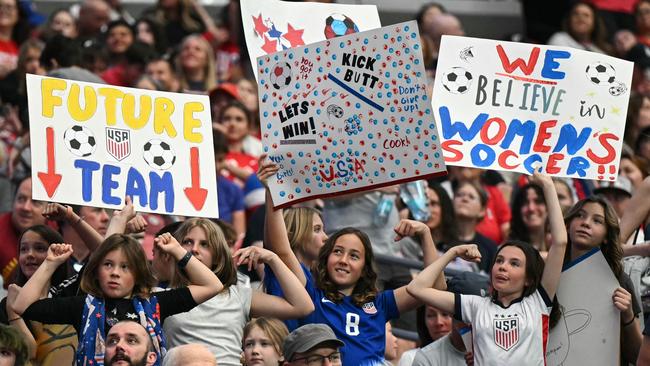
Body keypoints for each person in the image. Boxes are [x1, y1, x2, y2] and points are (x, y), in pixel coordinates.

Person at [259, 157, 443, 365]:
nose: (344, 260)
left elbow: (435, 288)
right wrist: (273, 192)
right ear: (326, 258)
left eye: (354, 256)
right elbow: (282, 251)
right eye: (337, 252)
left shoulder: (380, 303)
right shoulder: (311, 293)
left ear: (364, 268)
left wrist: (426, 234)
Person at [11, 198, 222, 365]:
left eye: (125, 267)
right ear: (97, 270)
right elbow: (22, 306)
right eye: (108, 265)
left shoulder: (155, 303)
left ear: (138, 273)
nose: (115, 273)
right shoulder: (83, 306)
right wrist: (49, 263)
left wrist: (177, 250)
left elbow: (212, 285)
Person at [407, 172, 567, 365]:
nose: (502, 267)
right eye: (499, 261)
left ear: (529, 279)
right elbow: (416, 289)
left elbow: (560, 242)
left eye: (514, 263)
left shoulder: (537, 303)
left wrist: (548, 186)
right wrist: (453, 253)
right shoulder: (475, 306)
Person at [162, 217, 313, 365]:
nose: (194, 249)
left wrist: (272, 259)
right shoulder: (161, 297)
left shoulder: (238, 295)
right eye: (187, 242)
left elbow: (303, 306)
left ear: (217, 255)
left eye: (204, 244)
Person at [563, 195, 643, 364]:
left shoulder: (619, 280)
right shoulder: (550, 275)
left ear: (607, 235)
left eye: (597, 221)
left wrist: (627, 315)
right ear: (568, 224)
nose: (586, 223)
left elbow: (637, 355)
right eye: (580, 215)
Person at [2, 225, 78, 366]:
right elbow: (27, 354)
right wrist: (13, 314)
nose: (29, 254)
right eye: (23, 249)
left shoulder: (71, 299)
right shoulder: (6, 305)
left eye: (39, 248)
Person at [0, 177, 48, 286]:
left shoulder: (60, 231)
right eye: (21, 199)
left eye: (35, 202)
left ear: (48, 207)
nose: (26, 207)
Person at [509, 183, 549, 254]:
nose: (531, 208)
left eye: (538, 201)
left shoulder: (562, 247)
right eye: (525, 202)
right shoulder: (507, 249)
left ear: (548, 206)